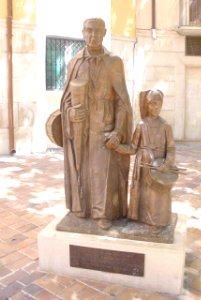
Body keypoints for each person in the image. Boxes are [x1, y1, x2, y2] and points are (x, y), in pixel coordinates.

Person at [60, 18, 132, 230]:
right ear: (83, 32)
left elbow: (122, 101)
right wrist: (71, 112)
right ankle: (82, 208)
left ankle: (103, 213)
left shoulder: (114, 62)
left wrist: (118, 131)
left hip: (105, 129)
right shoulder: (75, 63)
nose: (93, 35)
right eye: (89, 31)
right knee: (81, 171)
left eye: (97, 31)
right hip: (80, 130)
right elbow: (66, 101)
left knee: (103, 174)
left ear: (104, 33)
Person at [116, 89, 176, 233]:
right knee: (143, 192)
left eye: (157, 104)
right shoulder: (141, 125)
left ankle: (157, 221)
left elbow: (172, 149)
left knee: (156, 194)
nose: (154, 108)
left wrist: (166, 164)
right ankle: (141, 218)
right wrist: (117, 147)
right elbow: (132, 148)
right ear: (146, 105)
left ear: (162, 104)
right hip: (142, 164)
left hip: (159, 165)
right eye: (151, 104)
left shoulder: (166, 126)